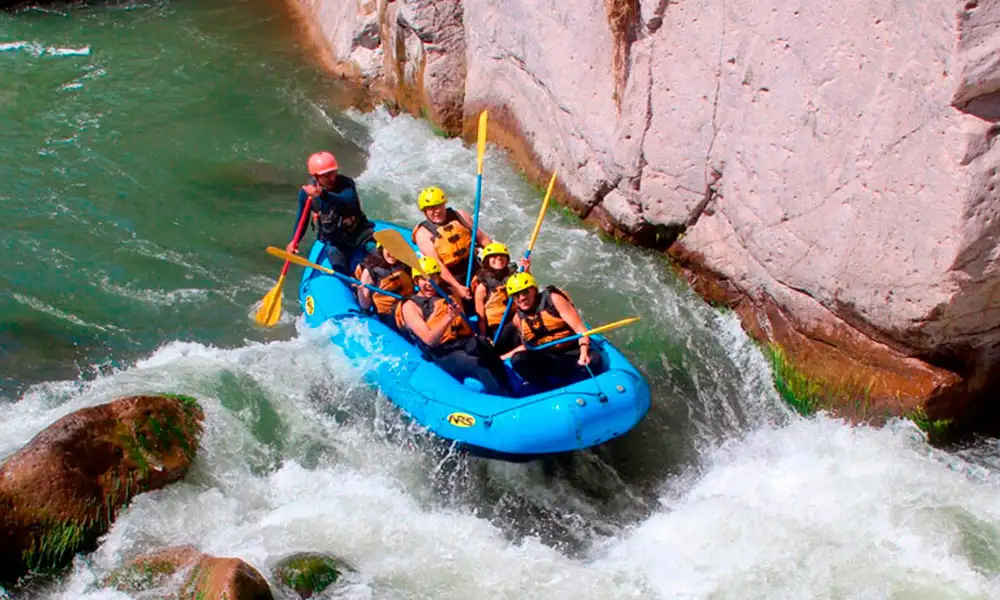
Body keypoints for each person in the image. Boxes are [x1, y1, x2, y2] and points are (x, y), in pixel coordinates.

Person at [395, 256, 511, 396]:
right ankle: (501, 398)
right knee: (477, 364)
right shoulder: (410, 306)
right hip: (443, 352)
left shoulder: (450, 293)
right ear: (416, 281)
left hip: (464, 341)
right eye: (424, 279)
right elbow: (429, 340)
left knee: (486, 346)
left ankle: (509, 389)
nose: (430, 283)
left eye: (434, 278)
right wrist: (449, 317)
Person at [502, 273, 601, 387]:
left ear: (534, 290)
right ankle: (546, 387)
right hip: (552, 359)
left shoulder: (554, 299)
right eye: (516, 295)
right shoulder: (518, 319)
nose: (521, 298)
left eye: (525, 292)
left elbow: (580, 329)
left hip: (573, 353)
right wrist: (502, 357)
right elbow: (528, 347)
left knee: (595, 360)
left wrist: (583, 354)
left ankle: (575, 377)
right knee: (518, 360)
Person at [286, 151, 375, 274]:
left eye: (333, 173)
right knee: (337, 262)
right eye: (326, 175)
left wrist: (323, 195)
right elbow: (302, 220)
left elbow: (350, 202)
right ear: (315, 176)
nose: (331, 178)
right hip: (335, 242)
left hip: (358, 234)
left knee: (376, 252)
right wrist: (294, 241)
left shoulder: (346, 183)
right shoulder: (306, 194)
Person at [411, 186, 492, 300]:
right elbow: (438, 264)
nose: (437, 211)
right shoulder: (423, 234)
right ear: (425, 212)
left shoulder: (460, 215)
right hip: (451, 277)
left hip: (474, 265)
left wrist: (495, 257)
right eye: (432, 209)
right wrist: (457, 287)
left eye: (439, 206)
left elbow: (482, 239)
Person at [471, 242, 529, 353]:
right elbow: (481, 318)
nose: (498, 258)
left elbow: (529, 294)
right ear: (486, 260)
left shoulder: (514, 278)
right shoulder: (482, 287)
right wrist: (484, 338)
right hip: (497, 330)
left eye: (502, 256)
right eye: (493, 256)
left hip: (516, 321)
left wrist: (526, 272)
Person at [354, 242, 413, 329]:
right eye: (389, 249)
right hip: (387, 314)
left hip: (407, 304)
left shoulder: (404, 264)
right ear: (381, 248)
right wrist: (361, 292)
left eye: (396, 250)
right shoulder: (371, 271)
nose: (393, 254)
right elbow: (365, 305)